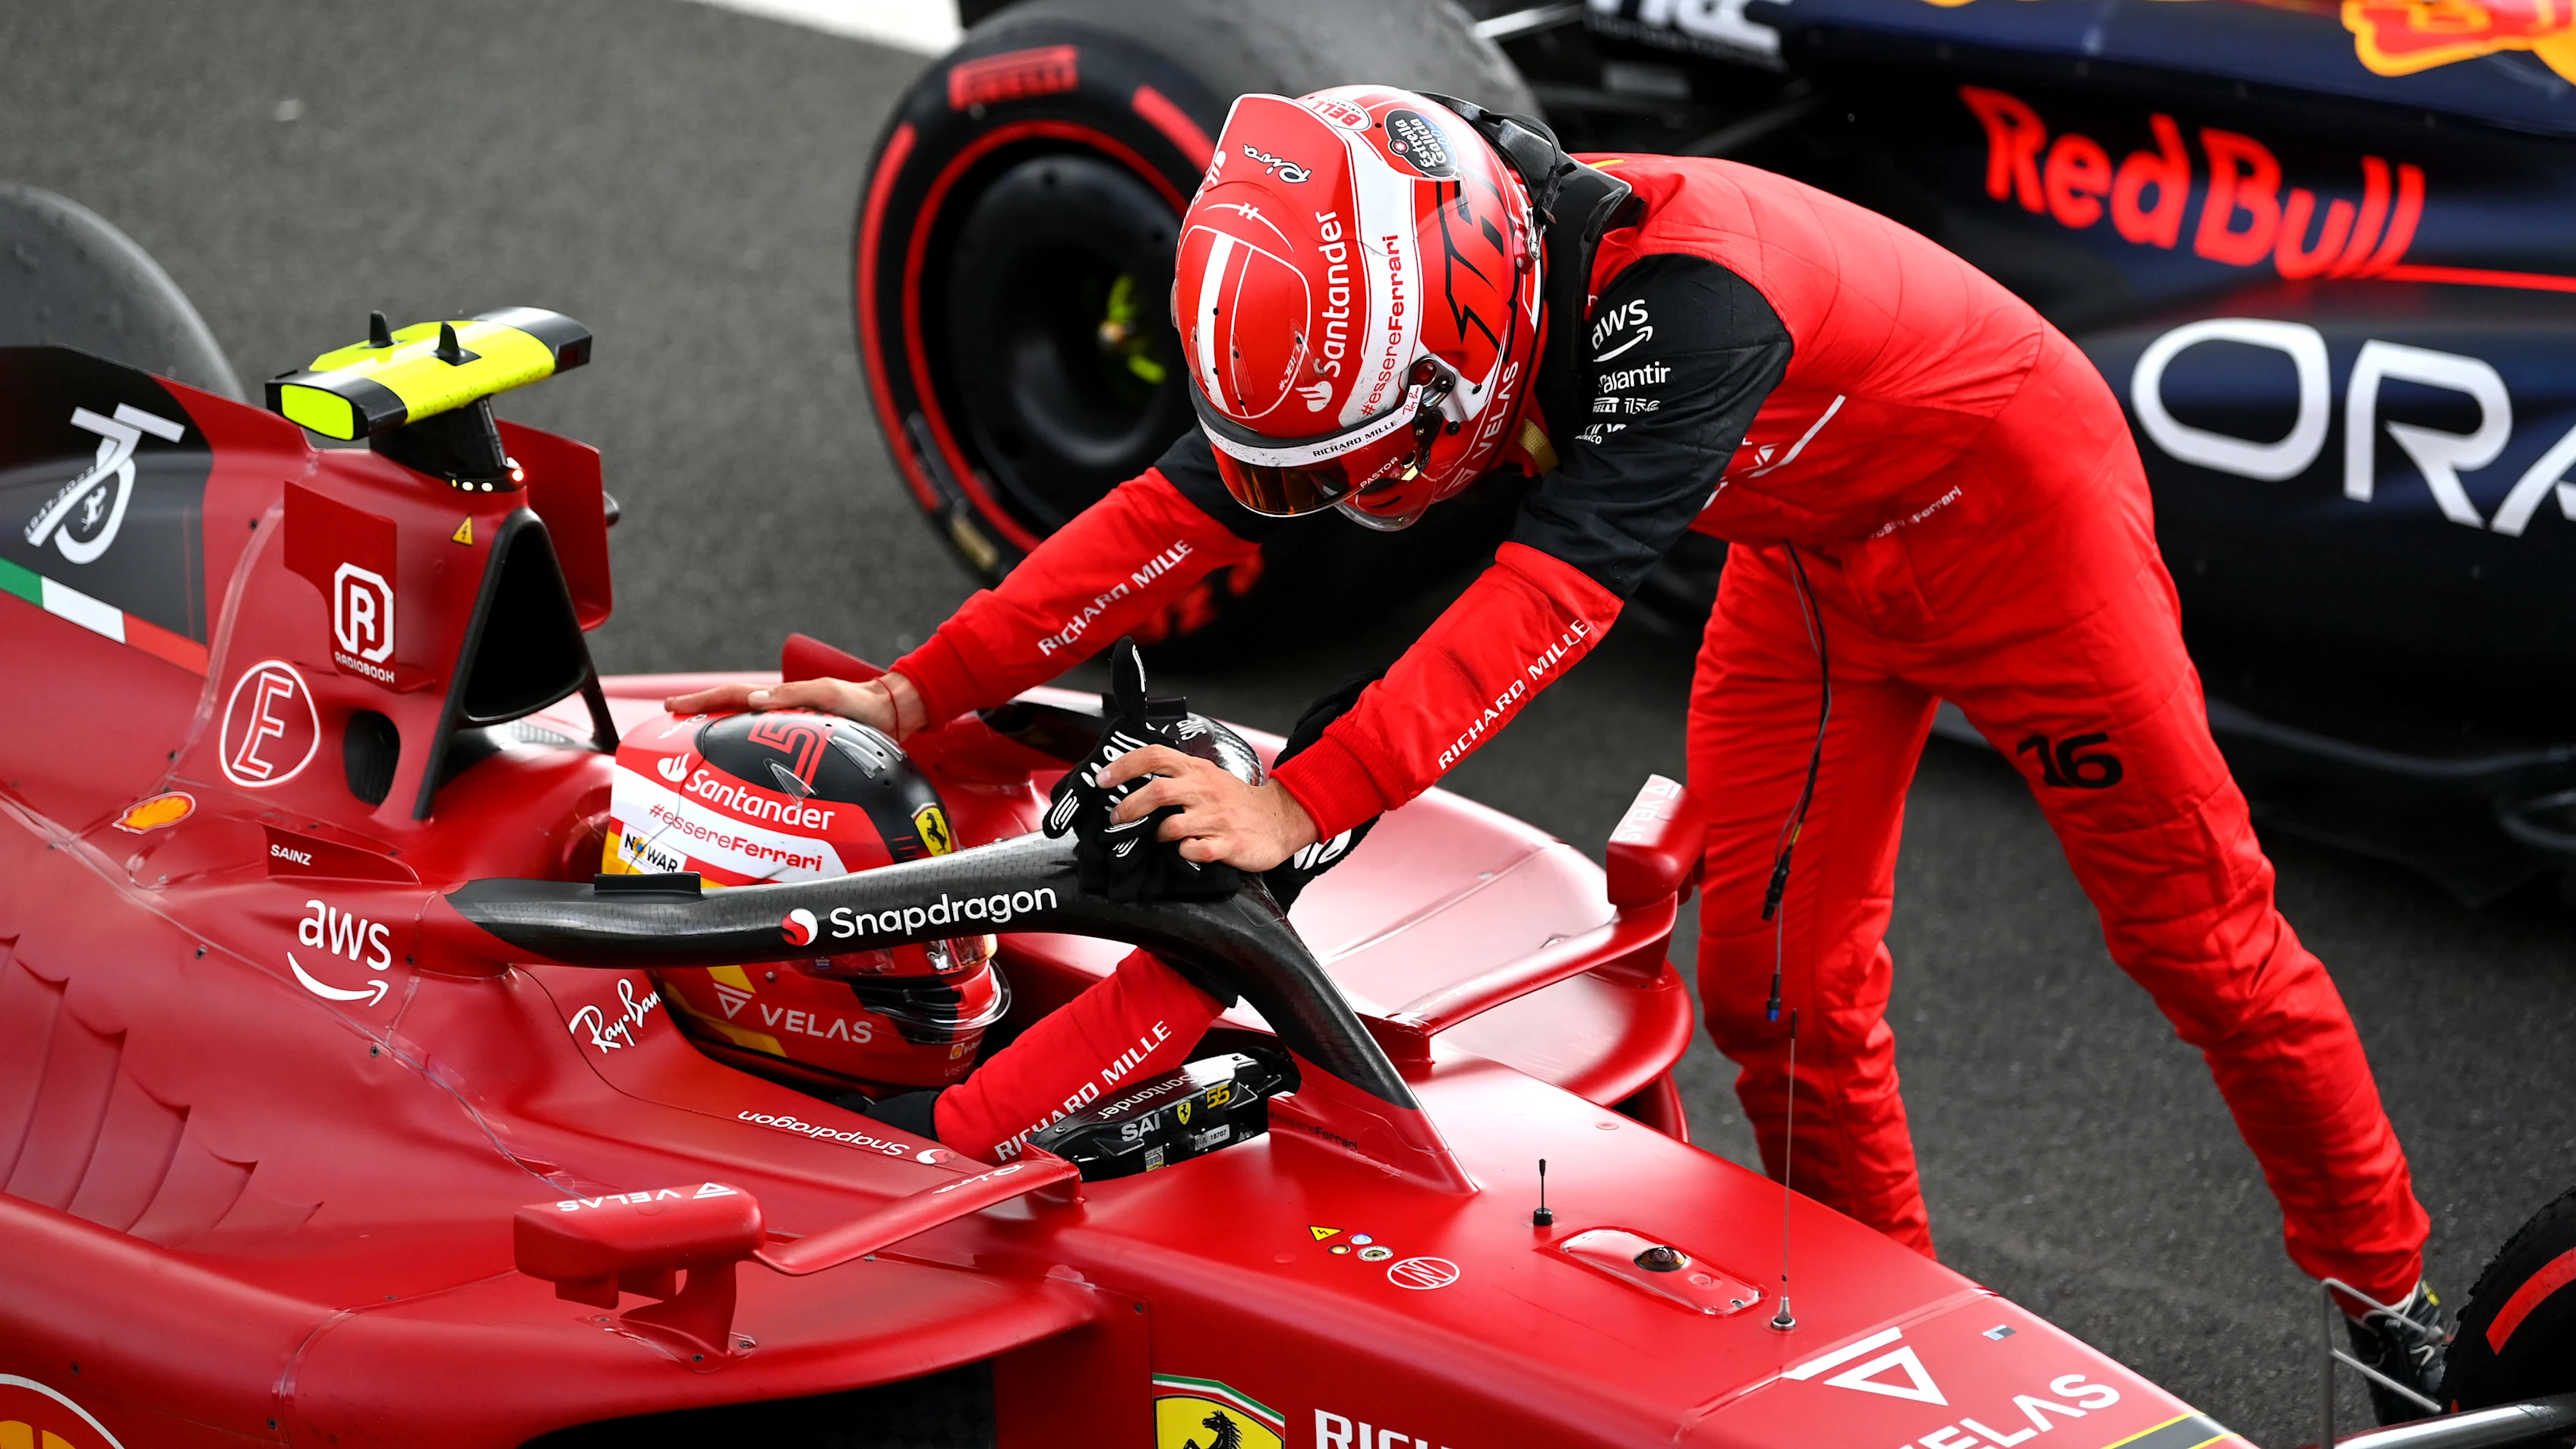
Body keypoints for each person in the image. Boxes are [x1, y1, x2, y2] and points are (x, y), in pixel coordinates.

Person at [672, 85, 2445, 1416]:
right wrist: (919, 691)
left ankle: (2394, 1310)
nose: (1338, 503)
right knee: (1771, 994)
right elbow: (1185, 508)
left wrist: (1292, 798)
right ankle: (1894, 1355)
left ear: (1468, 336)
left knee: (2199, 939)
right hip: (1816, 553)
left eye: (1370, 458)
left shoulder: (1696, 309)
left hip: (2015, 527)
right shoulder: (1418, 277)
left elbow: (1550, 605)